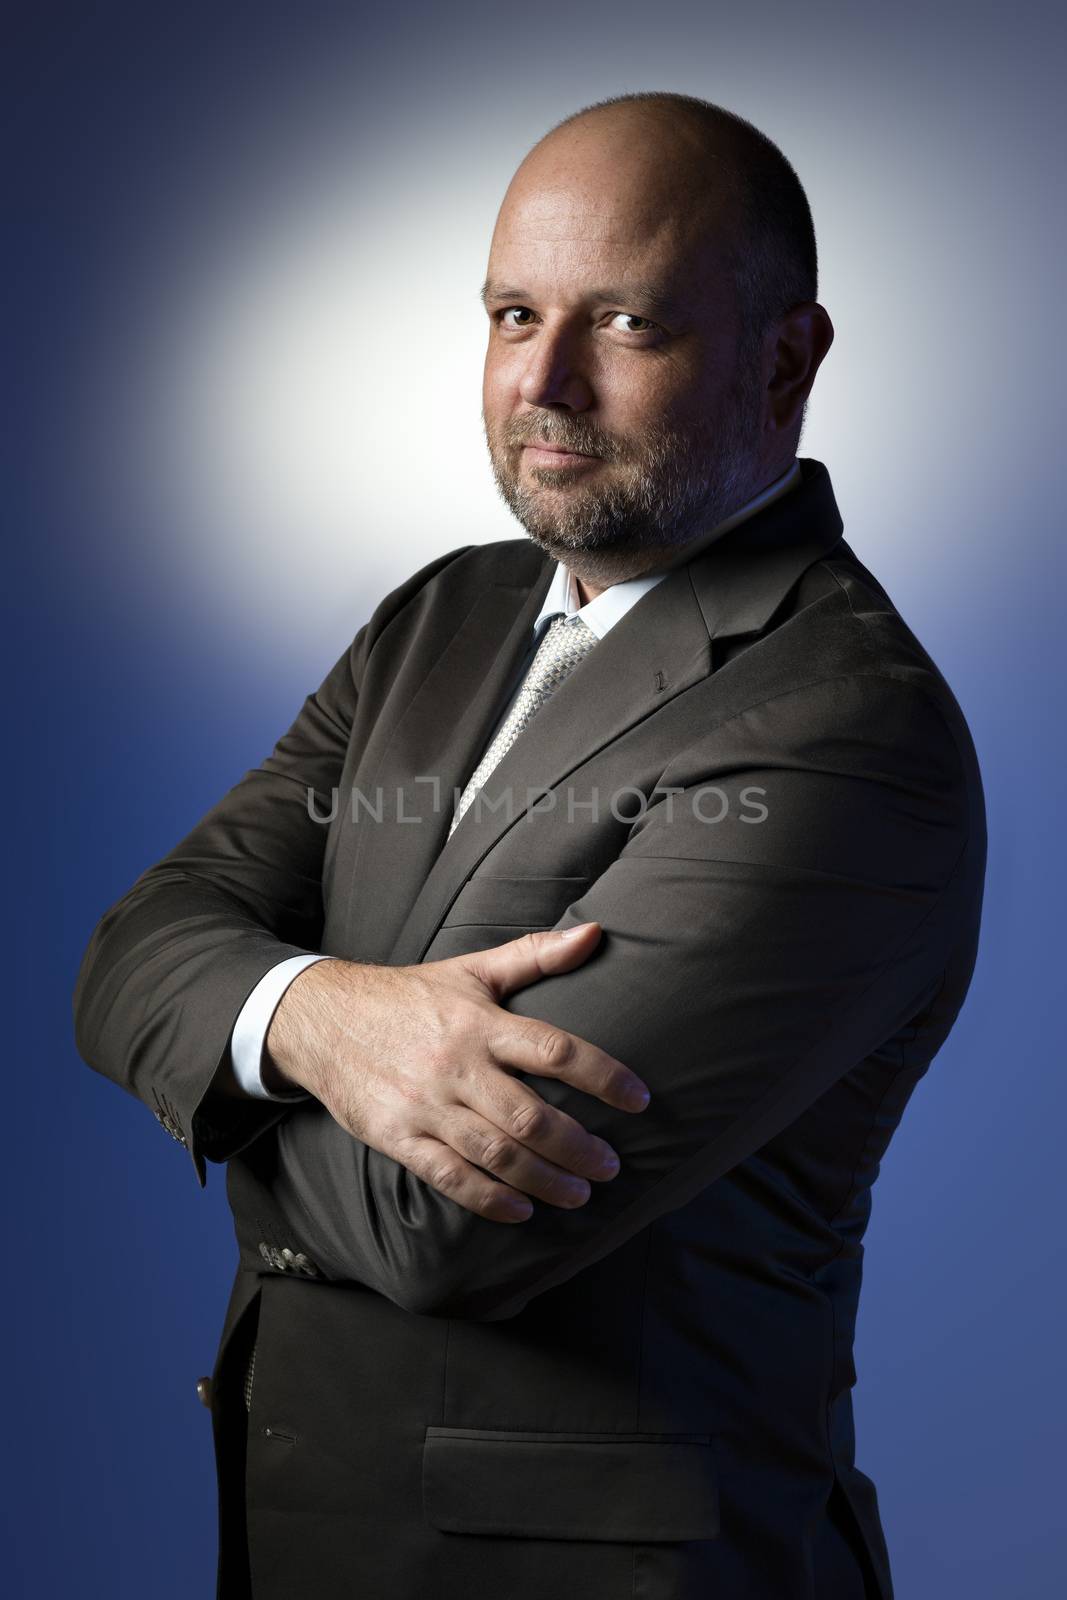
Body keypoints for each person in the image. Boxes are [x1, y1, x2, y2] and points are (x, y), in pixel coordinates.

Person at [73, 90, 986, 1600]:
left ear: (786, 358)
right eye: (512, 314)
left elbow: (446, 1228)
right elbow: (132, 945)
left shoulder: (844, 729)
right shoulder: (446, 613)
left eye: (625, 322)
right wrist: (319, 1017)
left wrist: (222, 1048)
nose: (543, 384)